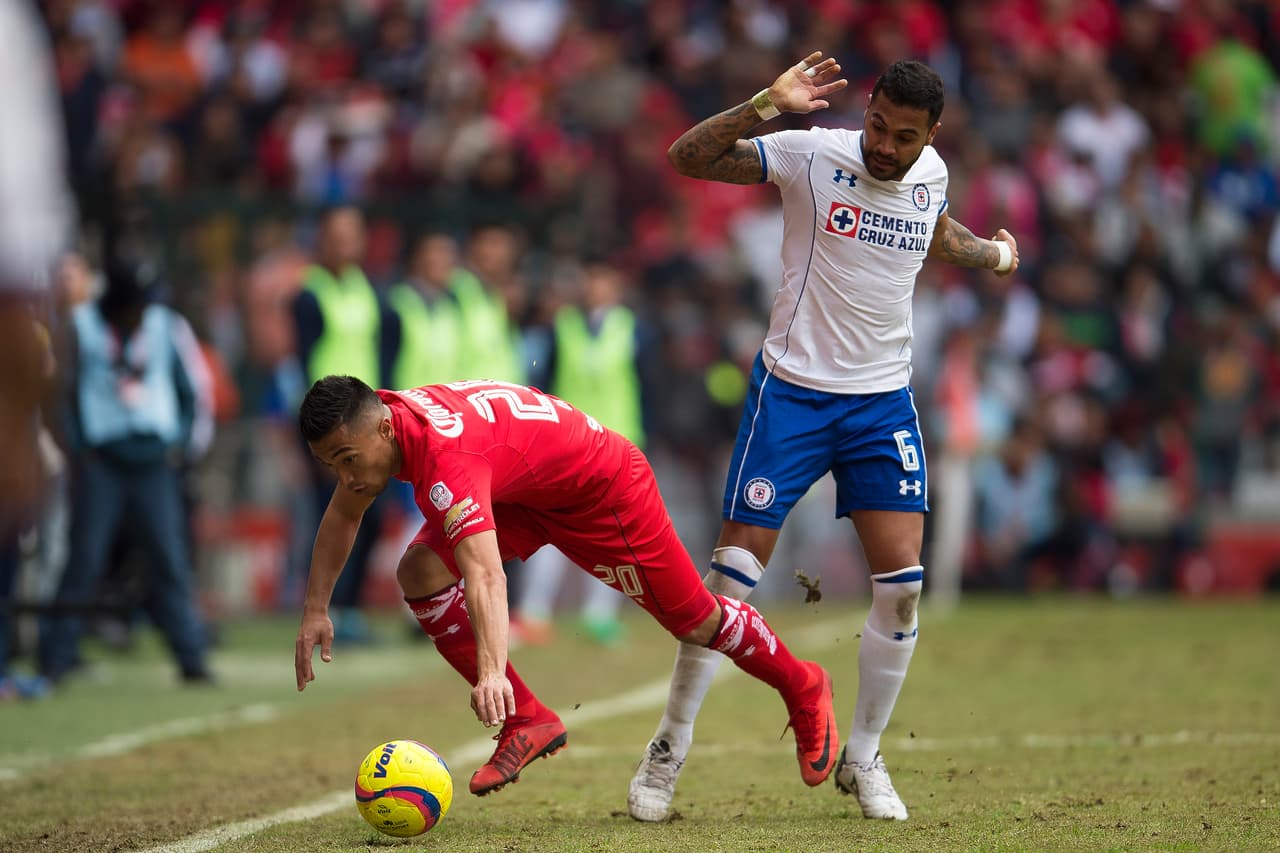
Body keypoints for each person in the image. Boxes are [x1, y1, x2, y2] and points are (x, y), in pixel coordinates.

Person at [627, 55, 1020, 823]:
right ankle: (669, 747)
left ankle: (866, 753)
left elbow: (930, 229)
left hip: (881, 404)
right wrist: (761, 106)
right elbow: (687, 158)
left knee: (902, 590)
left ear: (929, 136)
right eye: (877, 124)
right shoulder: (814, 153)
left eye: (903, 136)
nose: (884, 145)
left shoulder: (931, 171)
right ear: (865, 111)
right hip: (793, 396)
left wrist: (992, 254)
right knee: (731, 584)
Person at [292, 375, 837, 797]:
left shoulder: (445, 462)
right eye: (329, 464)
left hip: (600, 494)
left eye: (347, 460)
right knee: (421, 571)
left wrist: (488, 674)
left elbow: (485, 573)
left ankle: (803, 685)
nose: (345, 476)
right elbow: (344, 513)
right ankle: (528, 720)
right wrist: (317, 609)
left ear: (384, 428)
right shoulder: (381, 420)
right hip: (528, 494)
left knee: (695, 621)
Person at [38, 260, 212, 685]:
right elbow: (57, 395)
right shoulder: (81, 327)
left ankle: (192, 658)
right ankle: (56, 657)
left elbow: (191, 391)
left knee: (170, 559)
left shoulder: (166, 326)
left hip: (154, 461)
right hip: (104, 461)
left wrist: (180, 446)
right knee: (84, 559)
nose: (141, 314)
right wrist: (78, 450)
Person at [515, 262, 652, 646]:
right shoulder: (562, 328)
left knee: (615, 532)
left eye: (603, 280)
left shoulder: (633, 328)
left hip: (620, 443)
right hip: (566, 446)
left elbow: (647, 385)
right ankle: (534, 613)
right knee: (551, 528)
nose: (595, 288)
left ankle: (600, 616)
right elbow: (543, 385)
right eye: (590, 280)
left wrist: (647, 438)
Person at [291, 205, 395, 641]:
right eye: (336, 235)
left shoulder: (370, 291)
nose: (345, 244)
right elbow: (302, 362)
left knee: (371, 518)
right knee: (330, 514)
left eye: (352, 235)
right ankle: (324, 607)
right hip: (331, 425)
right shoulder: (309, 295)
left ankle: (350, 608)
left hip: (367, 424)